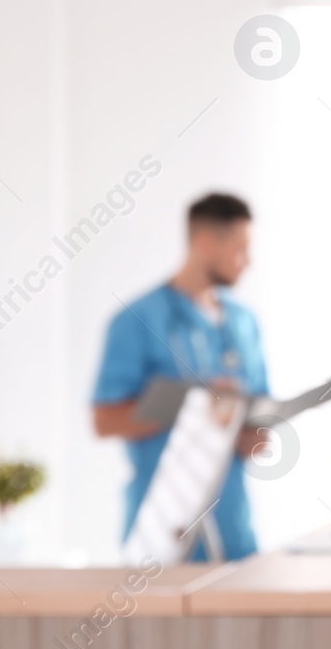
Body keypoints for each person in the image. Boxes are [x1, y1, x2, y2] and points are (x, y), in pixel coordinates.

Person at [92, 192, 269, 561]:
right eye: (239, 249)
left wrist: (251, 428)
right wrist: (196, 403)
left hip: (236, 533)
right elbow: (105, 420)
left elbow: (258, 437)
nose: (248, 262)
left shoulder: (244, 323)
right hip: (162, 538)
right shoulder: (137, 320)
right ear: (205, 243)